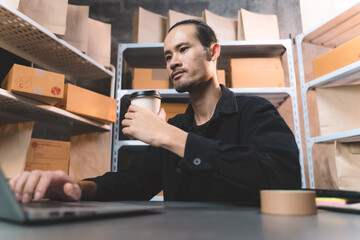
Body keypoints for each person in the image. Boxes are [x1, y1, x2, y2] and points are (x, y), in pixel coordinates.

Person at [9, 19, 301, 203]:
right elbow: (133, 183)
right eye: (168, 55)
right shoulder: (176, 126)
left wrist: (169, 136)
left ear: (213, 52)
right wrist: (75, 187)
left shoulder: (255, 112)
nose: (173, 61)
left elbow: (283, 178)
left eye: (183, 49)